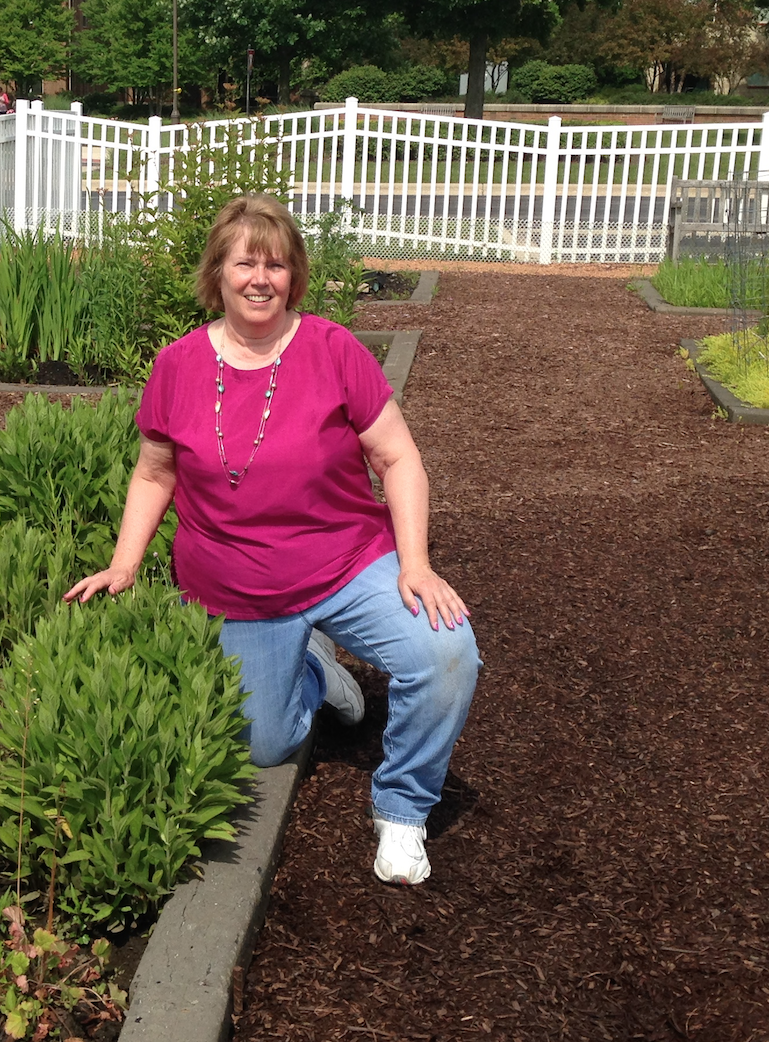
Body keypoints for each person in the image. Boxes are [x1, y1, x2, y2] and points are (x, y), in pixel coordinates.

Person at [65, 195, 479, 885]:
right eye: (245, 263)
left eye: (277, 265)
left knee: (446, 651)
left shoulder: (332, 350)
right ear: (218, 273)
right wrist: (124, 564)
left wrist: (416, 564)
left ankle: (403, 808)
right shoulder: (177, 366)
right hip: (238, 587)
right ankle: (314, 668)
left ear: (295, 276)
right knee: (266, 745)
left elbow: (400, 459)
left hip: (346, 561)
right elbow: (153, 472)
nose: (261, 279)